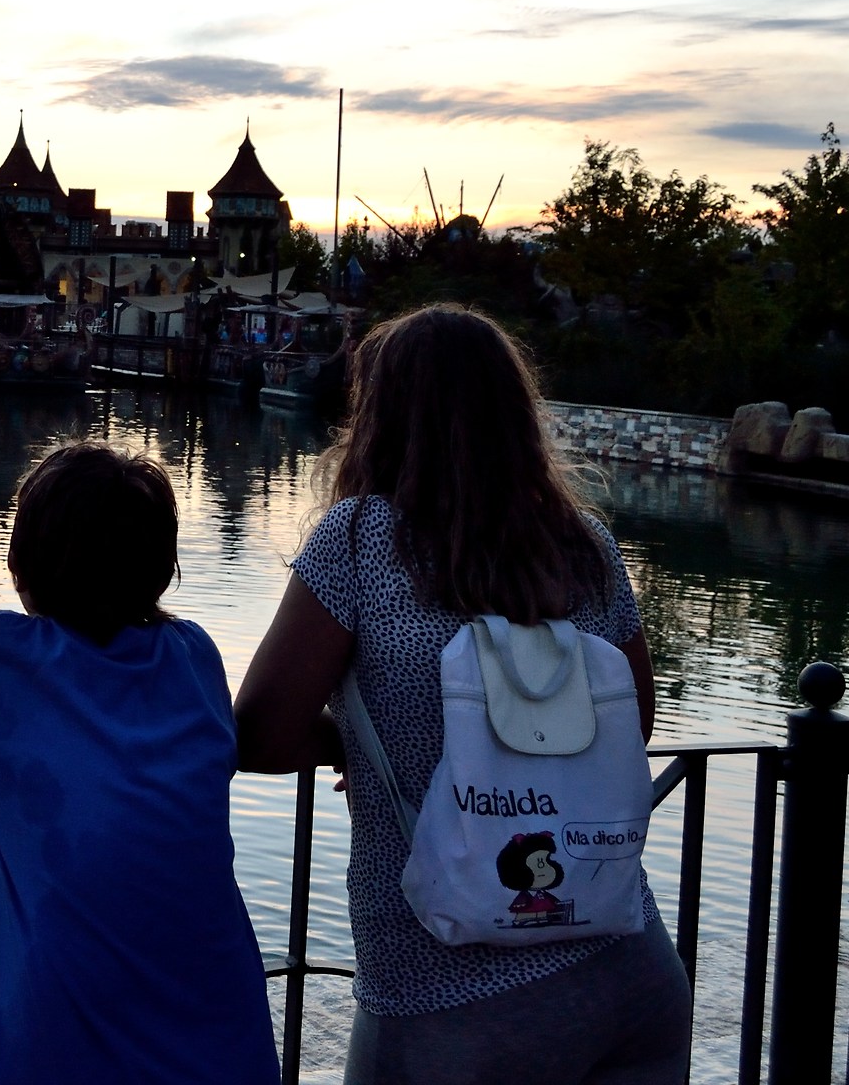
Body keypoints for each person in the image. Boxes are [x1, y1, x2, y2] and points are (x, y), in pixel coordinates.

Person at [235, 304, 693, 1084]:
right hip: (629, 972)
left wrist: (357, 740)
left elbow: (261, 734)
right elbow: (632, 724)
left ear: (381, 417)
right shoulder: (585, 545)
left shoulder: (359, 539)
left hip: (448, 995)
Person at [0, 443, 276, 1083]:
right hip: (223, 1048)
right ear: (160, 570)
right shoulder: (194, 657)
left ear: (20, 564)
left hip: (47, 1055)